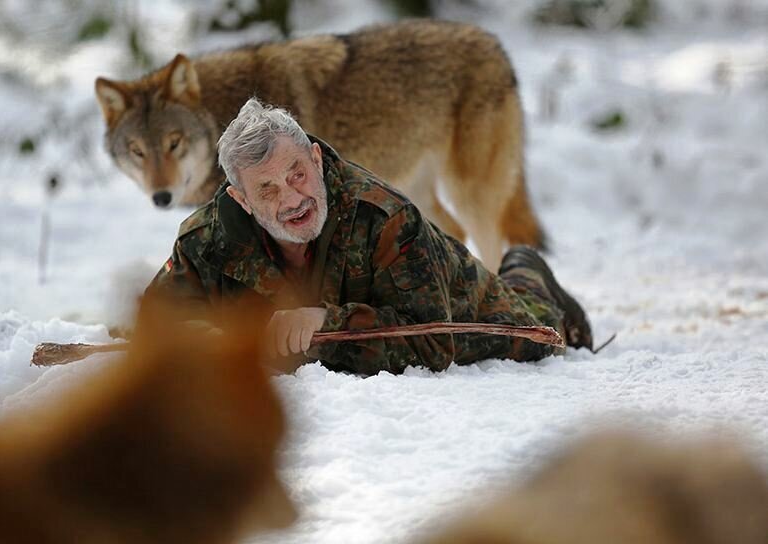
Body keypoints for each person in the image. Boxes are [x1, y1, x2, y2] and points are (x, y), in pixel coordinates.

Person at [144, 98, 593, 375]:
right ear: (241, 199)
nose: (292, 199)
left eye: (297, 174)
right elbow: (154, 320)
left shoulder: (384, 215)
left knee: (535, 333)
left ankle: (526, 269)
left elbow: (432, 343)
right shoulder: (205, 239)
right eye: (268, 190)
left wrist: (324, 324)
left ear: (316, 159)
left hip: (468, 302)